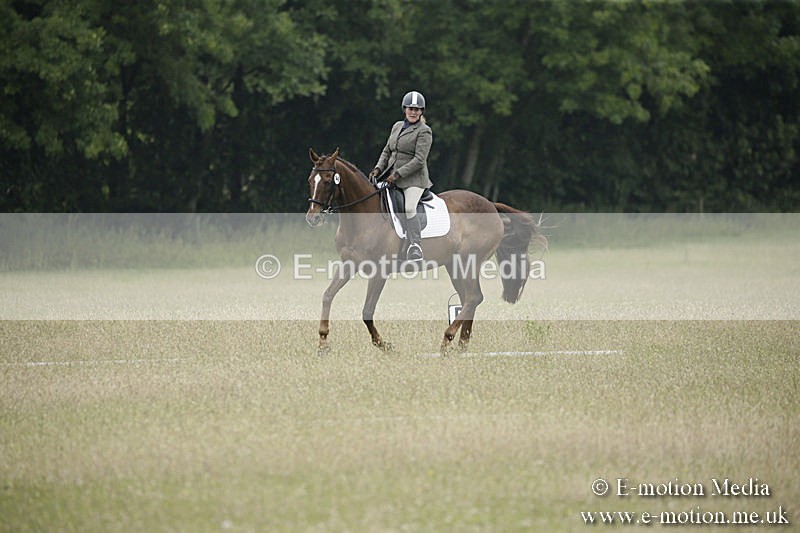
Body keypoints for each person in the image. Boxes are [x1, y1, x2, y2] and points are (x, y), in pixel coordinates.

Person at [368, 90, 433, 262]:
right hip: (391, 176)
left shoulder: (424, 131)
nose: (413, 112)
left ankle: (415, 245)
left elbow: (419, 160)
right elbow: (387, 150)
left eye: (417, 109)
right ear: (404, 109)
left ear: (421, 112)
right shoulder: (397, 126)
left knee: (409, 207)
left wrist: (398, 174)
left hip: (414, 180)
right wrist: (378, 168)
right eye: (411, 108)